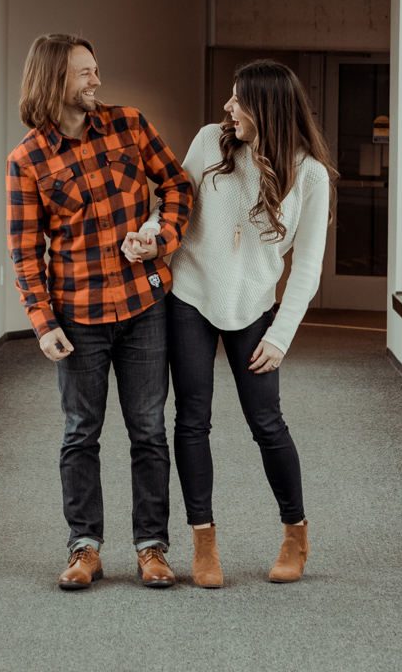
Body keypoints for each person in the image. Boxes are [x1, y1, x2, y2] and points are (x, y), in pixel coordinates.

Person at [125, 59, 333, 588]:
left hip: (255, 309)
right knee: (192, 420)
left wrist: (281, 335)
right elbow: (173, 203)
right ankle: (203, 540)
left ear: (265, 107)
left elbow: (306, 267)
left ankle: (295, 535)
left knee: (267, 423)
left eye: (237, 100)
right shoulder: (208, 142)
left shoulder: (309, 175)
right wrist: (151, 234)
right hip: (191, 296)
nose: (227, 108)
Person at [6, 33, 194, 591]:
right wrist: (42, 322)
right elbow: (23, 250)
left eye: (96, 70)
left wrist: (161, 237)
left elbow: (178, 185)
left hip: (143, 306)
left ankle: (152, 547)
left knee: (148, 431)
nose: (97, 80)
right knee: (80, 433)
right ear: (53, 81)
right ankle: (84, 547)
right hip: (77, 317)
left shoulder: (129, 125)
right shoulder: (27, 160)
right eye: (85, 73)